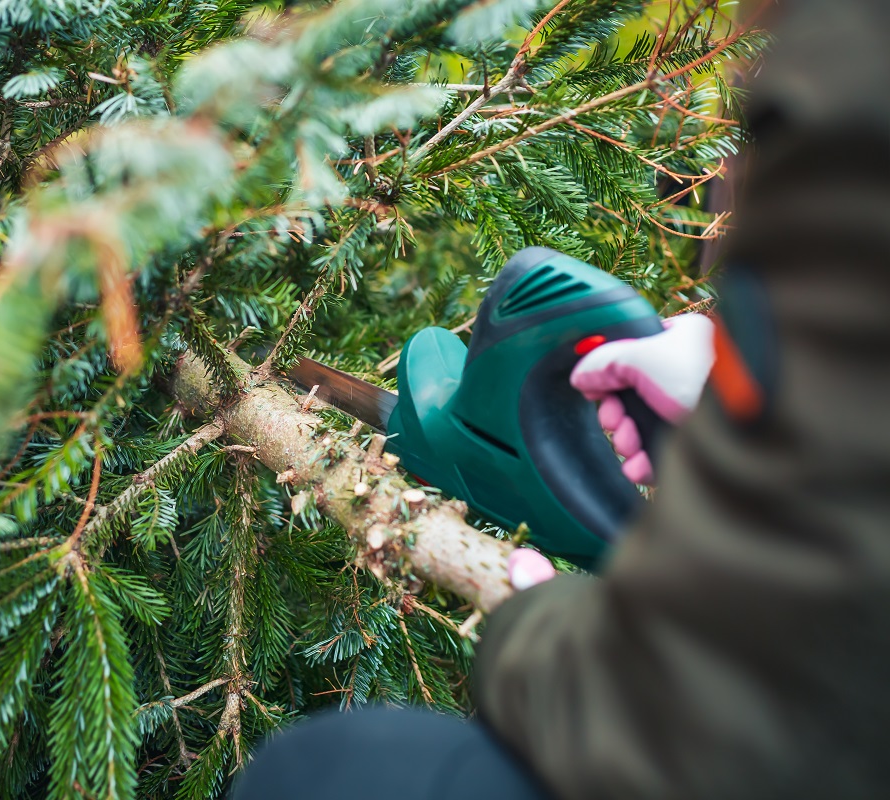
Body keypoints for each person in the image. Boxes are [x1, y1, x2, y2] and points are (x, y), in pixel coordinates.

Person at [231, 0, 890, 797]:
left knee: (316, 772)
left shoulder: (850, 77)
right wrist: (736, 382)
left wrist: (537, 625)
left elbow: (702, 722)